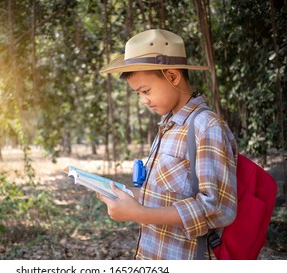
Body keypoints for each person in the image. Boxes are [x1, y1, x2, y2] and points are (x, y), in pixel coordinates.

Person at [98, 29, 237, 260]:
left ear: (172, 76)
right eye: (137, 93)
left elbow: (218, 209)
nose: (143, 100)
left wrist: (141, 214)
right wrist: (126, 194)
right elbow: (165, 194)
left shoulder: (206, 127)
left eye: (145, 91)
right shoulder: (168, 125)